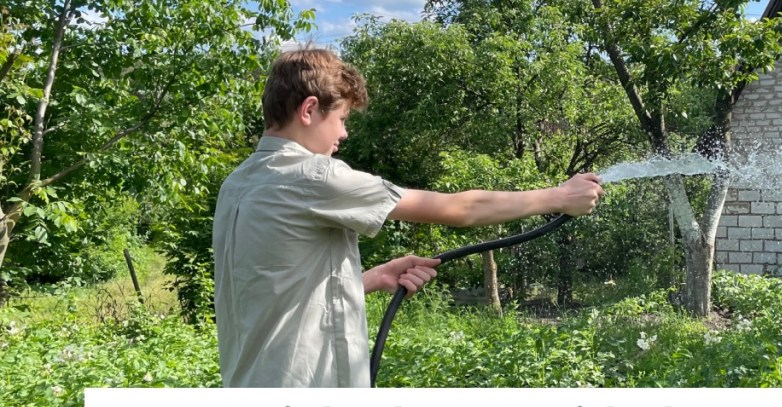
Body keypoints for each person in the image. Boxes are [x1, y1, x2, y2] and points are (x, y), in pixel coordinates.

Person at [213, 48, 603, 388]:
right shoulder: (313, 177)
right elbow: (459, 210)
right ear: (309, 110)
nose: (344, 134)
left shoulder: (238, 184)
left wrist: (370, 279)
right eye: (343, 119)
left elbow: (271, 293)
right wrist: (558, 197)